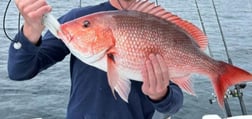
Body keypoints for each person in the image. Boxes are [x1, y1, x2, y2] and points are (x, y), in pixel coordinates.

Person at [8, 0, 183, 119]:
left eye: (86, 25)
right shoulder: (77, 20)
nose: (85, 25)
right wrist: (31, 29)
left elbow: (173, 105)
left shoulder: (163, 28)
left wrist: (161, 95)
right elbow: (20, 70)